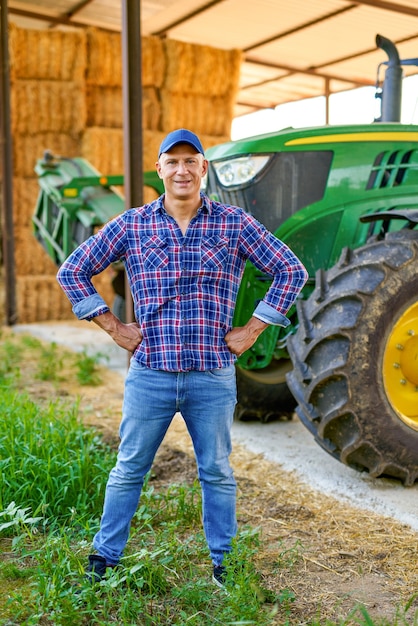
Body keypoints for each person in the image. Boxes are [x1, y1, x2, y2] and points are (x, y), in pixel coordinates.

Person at [56, 128, 308, 588]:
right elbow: (71, 270)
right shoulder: (133, 225)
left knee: (216, 470)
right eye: (172, 162)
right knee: (130, 467)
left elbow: (291, 269)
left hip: (211, 375)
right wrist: (113, 327)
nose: (182, 169)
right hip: (150, 372)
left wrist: (253, 330)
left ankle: (224, 563)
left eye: (191, 160)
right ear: (160, 170)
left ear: (203, 169)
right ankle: (105, 557)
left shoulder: (233, 223)